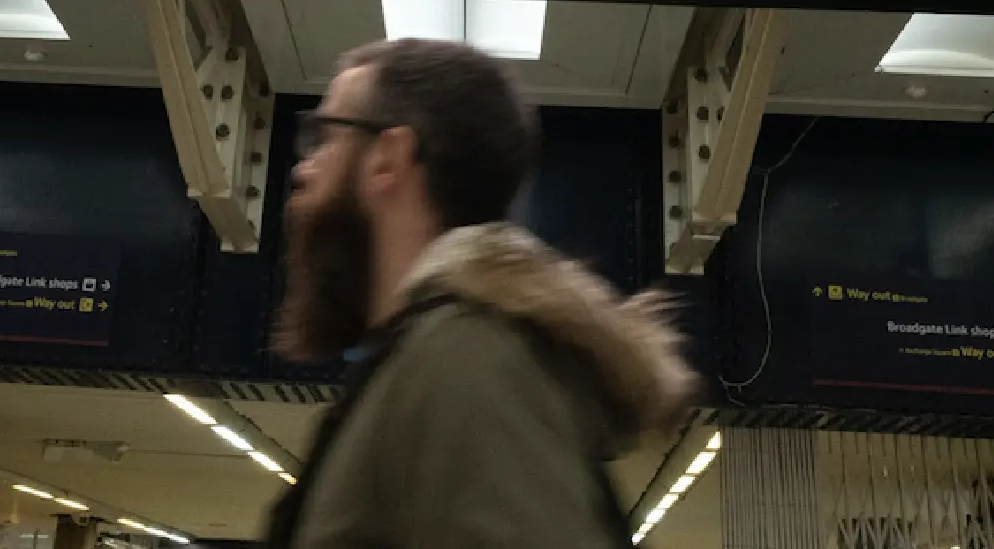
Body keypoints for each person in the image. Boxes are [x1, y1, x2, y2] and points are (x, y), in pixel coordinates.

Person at [264, 38, 695, 549]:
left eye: (325, 136)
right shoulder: (427, 357)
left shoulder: (468, 360)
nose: (304, 169)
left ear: (387, 158)